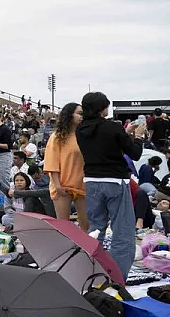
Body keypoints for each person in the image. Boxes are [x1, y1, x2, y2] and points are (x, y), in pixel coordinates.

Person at [76, 91, 143, 279]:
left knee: (96, 229)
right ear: (102, 108)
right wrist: (137, 137)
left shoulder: (80, 130)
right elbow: (135, 153)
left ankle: (92, 271)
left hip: (92, 182)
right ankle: (118, 277)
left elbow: (103, 144)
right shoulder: (112, 127)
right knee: (122, 232)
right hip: (115, 181)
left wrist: (125, 134)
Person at [44, 102, 88, 231]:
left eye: (83, 114)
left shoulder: (84, 135)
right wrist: (58, 185)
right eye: (79, 114)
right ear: (69, 115)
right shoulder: (57, 136)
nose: (82, 117)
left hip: (83, 185)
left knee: (86, 224)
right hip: (62, 186)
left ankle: (85, 250)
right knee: (64, 226)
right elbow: (52, 162)